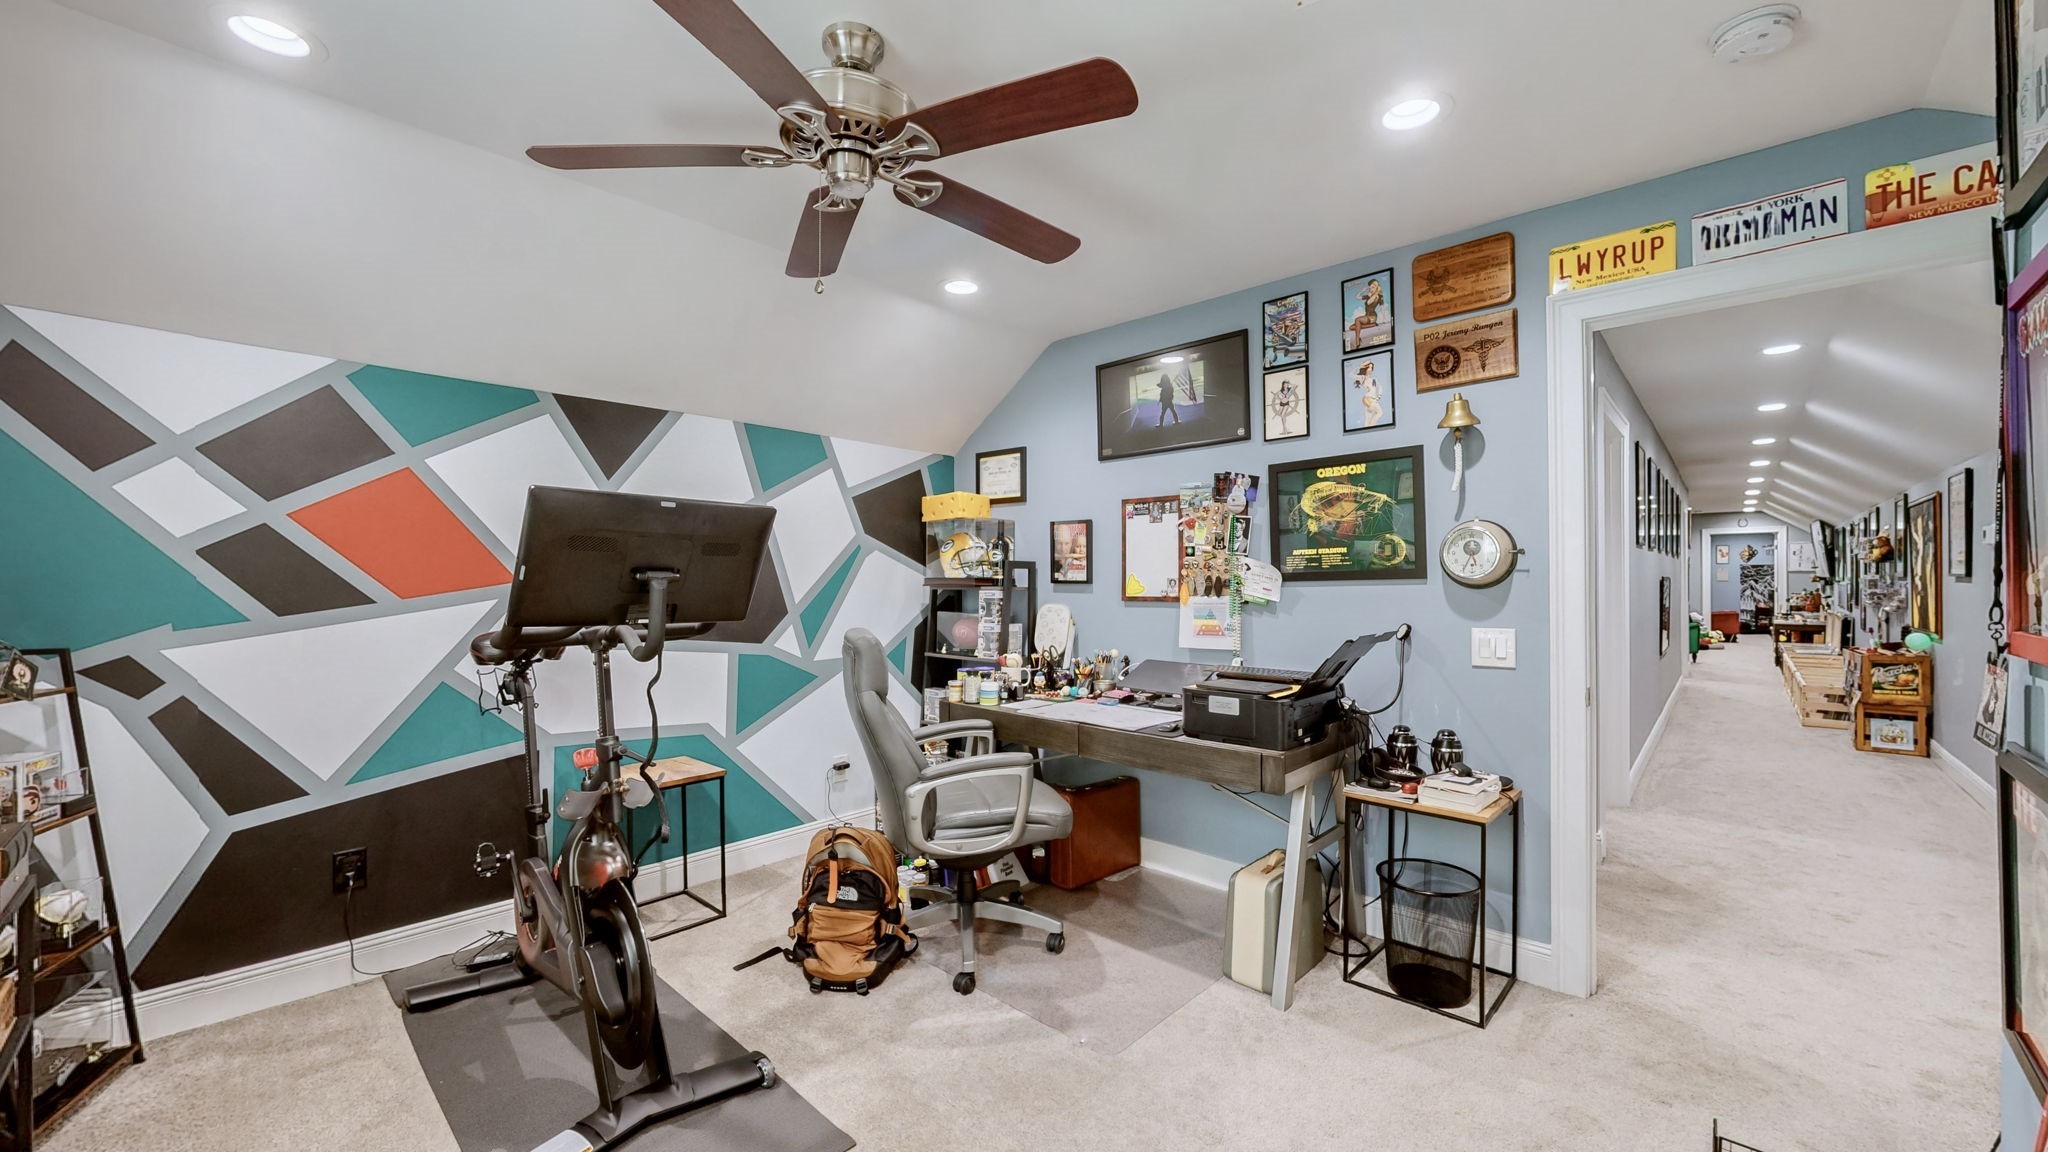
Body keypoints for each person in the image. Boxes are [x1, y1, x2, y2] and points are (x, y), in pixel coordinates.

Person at [1351, 359, 1383, 427]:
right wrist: (1359, 366)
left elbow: (1380, 387)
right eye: (1369, 367)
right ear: (1365, 368)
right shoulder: (1363, 378)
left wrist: (1379, 396)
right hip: (1368, 398)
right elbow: (1350, 375)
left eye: (1371, 367)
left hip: (1373, 399)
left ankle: (1370, 428)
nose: (1370, 369)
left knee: (1367, 421)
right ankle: (1372, 426)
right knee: (1379, 412)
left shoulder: (1374, 379)